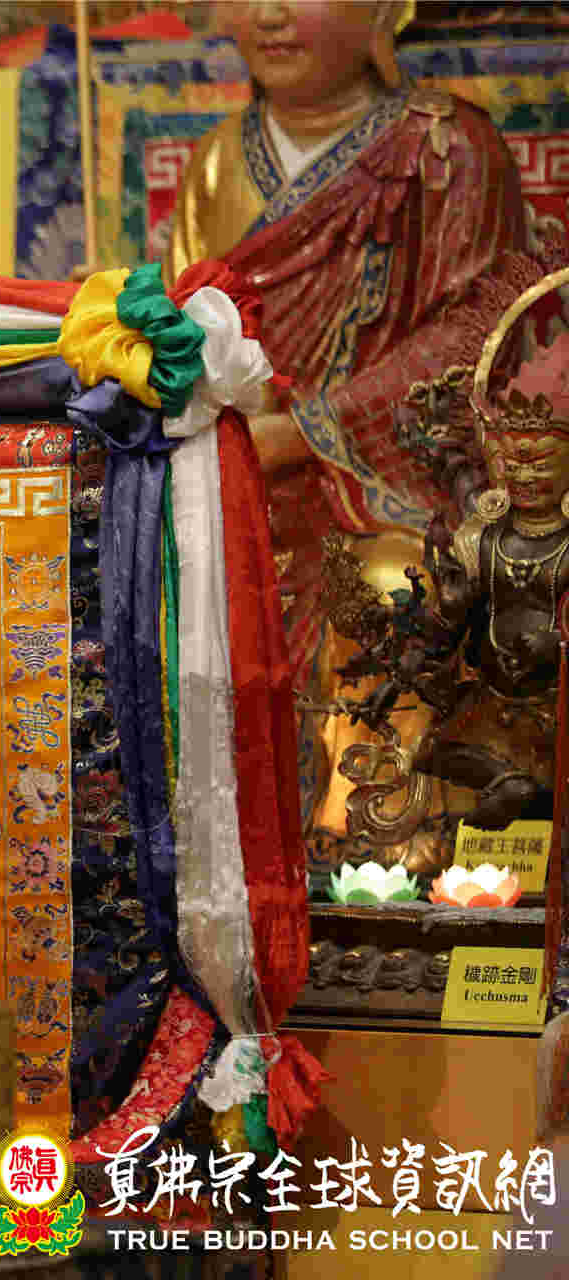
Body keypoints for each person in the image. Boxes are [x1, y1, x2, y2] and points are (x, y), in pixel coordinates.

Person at [166, 0, 527, 858]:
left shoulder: (448, 150)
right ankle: (209, 851)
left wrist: (310, 430)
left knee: (393, 585)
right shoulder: (217, 159)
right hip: (240, 469)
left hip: (395, 479)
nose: (269, 15)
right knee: (159, 584)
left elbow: (478, 332)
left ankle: (375, 843)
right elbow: (188, 327)